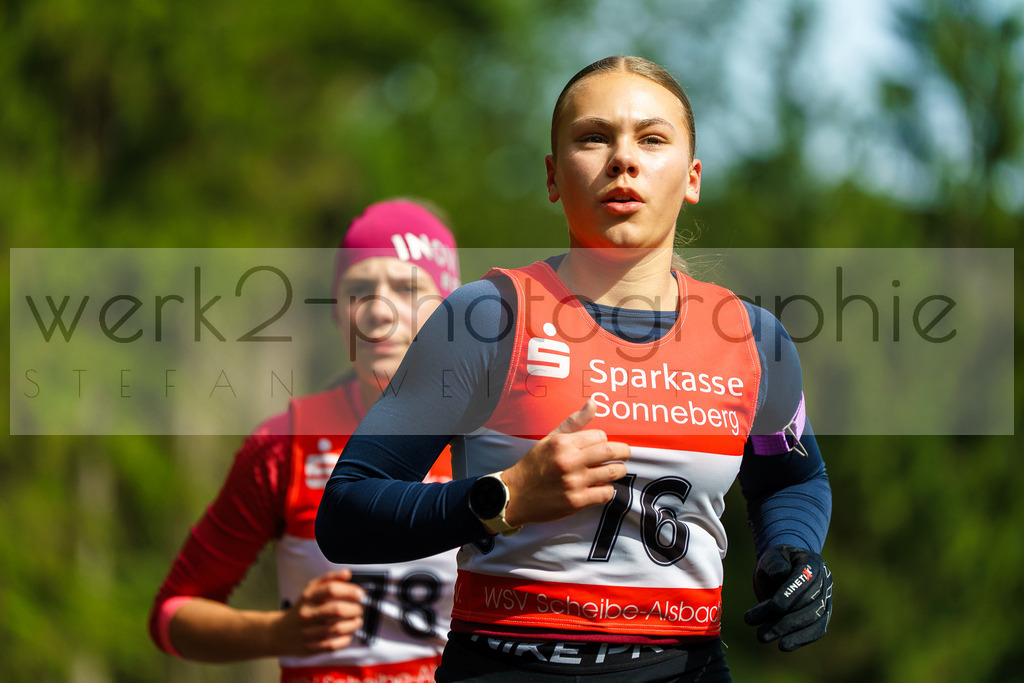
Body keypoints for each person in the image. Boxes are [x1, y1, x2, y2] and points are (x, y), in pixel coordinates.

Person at [316, 56, 833, 682]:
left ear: (692, 177)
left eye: (652, 139)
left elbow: (790, 479)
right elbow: (346, 513)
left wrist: (792, 551)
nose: (623, 160)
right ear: (553, 176)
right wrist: (505, 497)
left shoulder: (754, 341)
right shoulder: (487, 318)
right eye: (593, 137)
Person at [149, 199, 463, 683]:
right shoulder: (285, 444)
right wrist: (280, 633)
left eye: (406, 288)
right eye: (358, 291)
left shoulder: (499, 439)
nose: (377, 312)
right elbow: (172, 615)